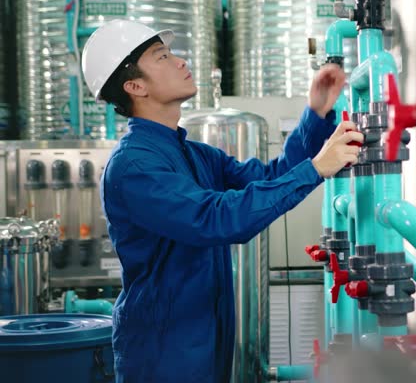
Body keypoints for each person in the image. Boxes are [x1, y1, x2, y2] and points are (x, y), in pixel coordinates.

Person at [81, 19, 363, 382]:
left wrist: (316, 113)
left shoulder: (193, 154)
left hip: (204, 338)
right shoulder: (134, 165)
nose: (181, 62)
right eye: (162, 57)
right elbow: (215, 219)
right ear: (135, 86)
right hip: (163, 351)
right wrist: (316, 169)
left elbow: (270, 177)